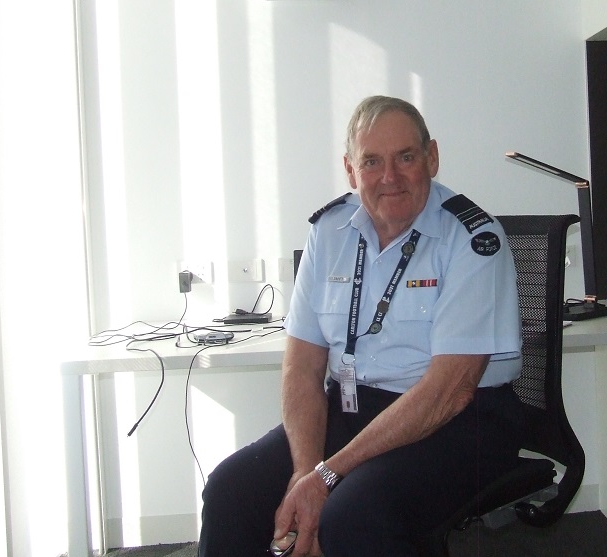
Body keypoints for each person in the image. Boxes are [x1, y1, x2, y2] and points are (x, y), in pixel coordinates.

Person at [198, 95, 525, 557]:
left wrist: (326, 477)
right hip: (354, 410)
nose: (389, 177)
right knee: (231, 489)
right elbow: (303, 367)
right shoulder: (328, 232)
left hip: (461, 423)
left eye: (405, 158)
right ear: (351, 171)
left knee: (351, 513)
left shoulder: (473, 238)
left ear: (431, 157)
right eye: (371, 162)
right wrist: (304, 472)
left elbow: (449, 392)